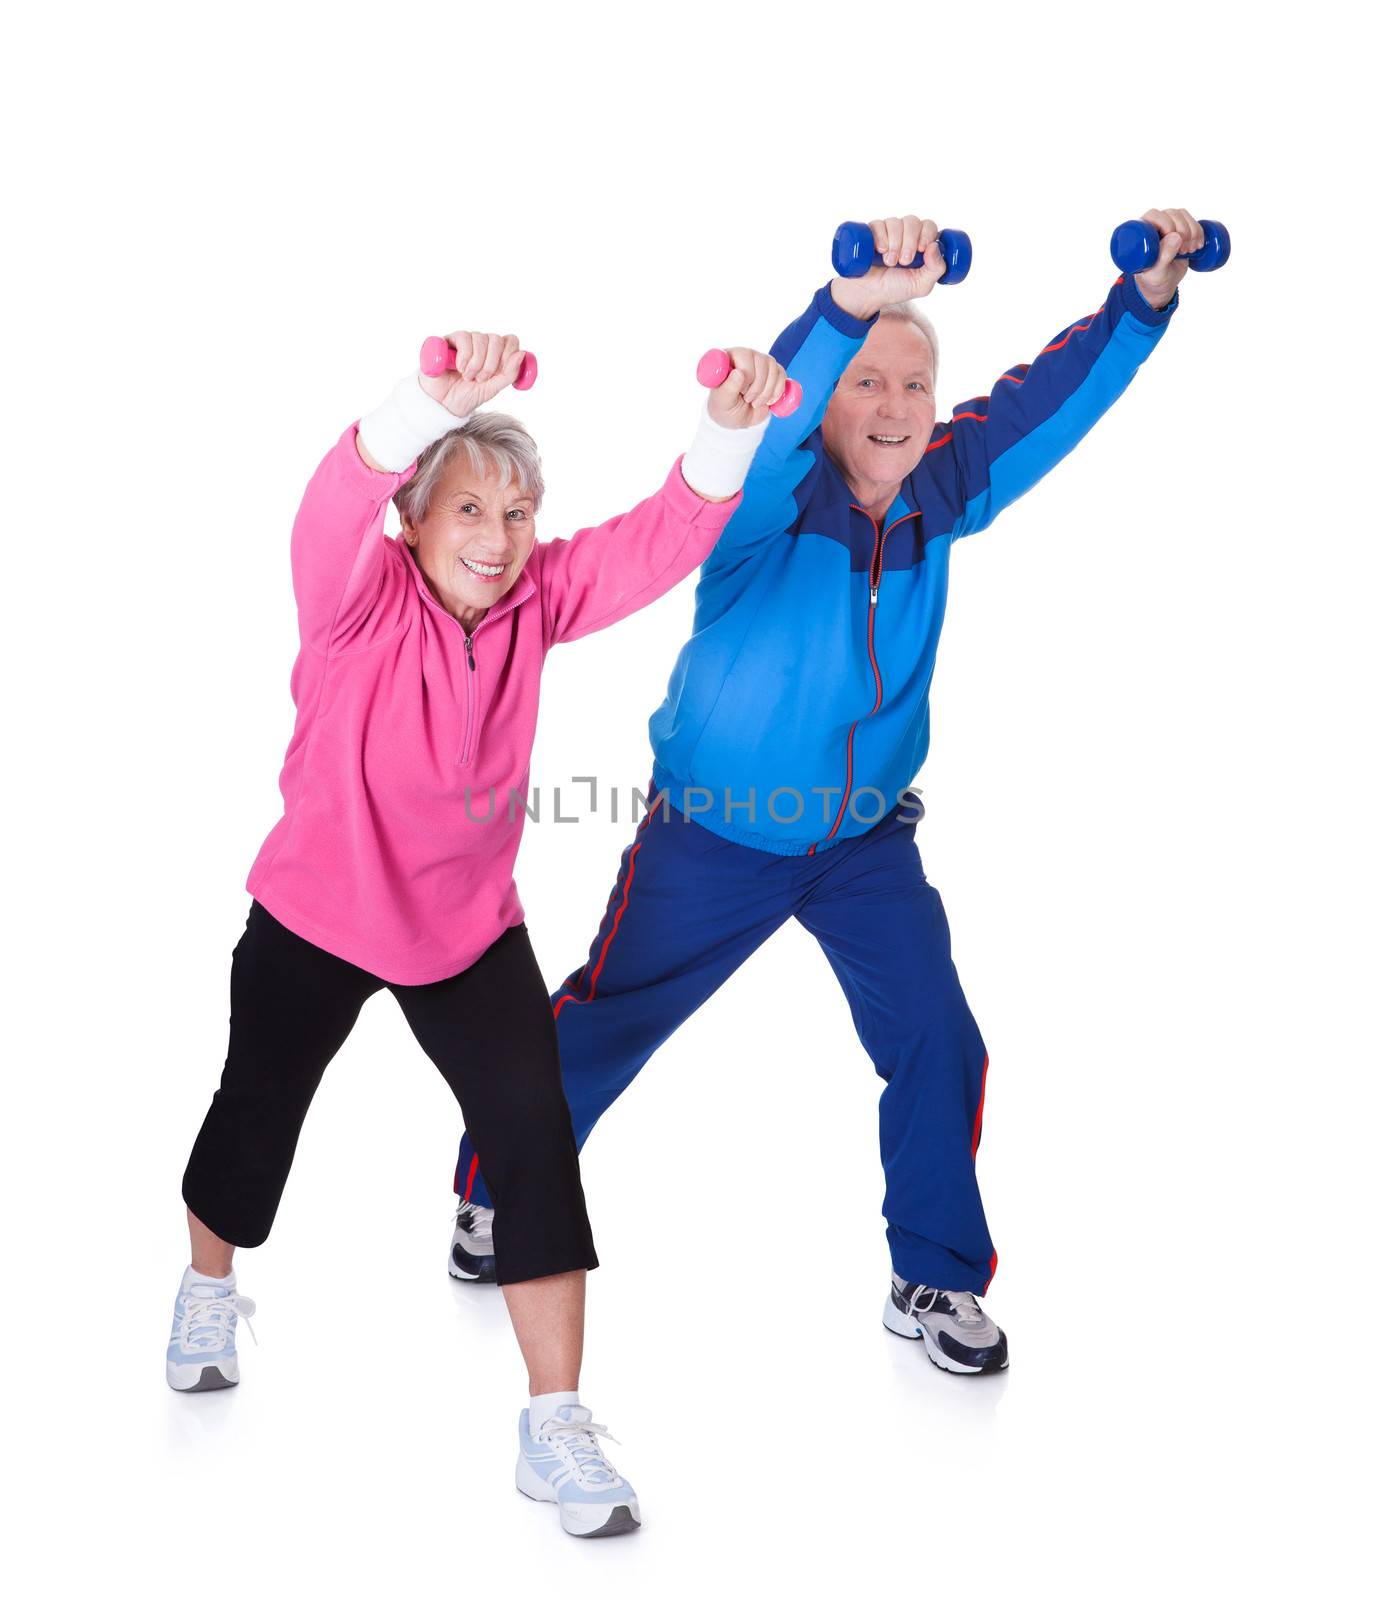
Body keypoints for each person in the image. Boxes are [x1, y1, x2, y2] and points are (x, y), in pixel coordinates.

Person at [449, 210, 1200, 1376]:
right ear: (827, 403)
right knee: (604, 1016)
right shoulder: (764, 508)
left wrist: (1141, 297)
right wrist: (843, 308)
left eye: (914, 381)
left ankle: (934, 1275)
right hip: (711, 836)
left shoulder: (940, 494)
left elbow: (1049, 403)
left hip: (861, 845)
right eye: (866, 382)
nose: (894, 404)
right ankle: (493, 1189)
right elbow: (777, 404)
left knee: (935, 1035)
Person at [168, 325, 788, 1537]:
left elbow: (662, 539)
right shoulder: (353, 598)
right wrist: (423, 401)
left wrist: (729, 426)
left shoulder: (535, 598)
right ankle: (205, 1286)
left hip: (463, 931)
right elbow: (327, 500)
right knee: (256, 1111)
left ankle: (552, 1423)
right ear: (414, 521)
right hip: (316, 911)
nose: (497, 538)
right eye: (467, 508)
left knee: (534, 1136)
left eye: (516, 511)